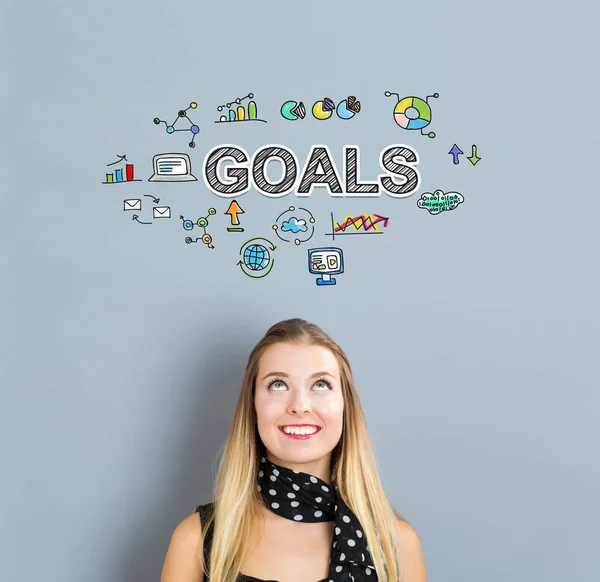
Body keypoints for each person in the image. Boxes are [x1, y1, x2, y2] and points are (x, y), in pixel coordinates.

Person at [161, 318, 426, 582]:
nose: (300, 406)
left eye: (320, 384)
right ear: (253, 407)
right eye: (278, 385)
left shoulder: (397, 547)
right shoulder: (196, 540)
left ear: (346, 407)